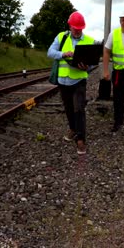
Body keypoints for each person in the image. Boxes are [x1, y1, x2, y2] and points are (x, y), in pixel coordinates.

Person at [47, 11, 96, 155]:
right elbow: (50, 52)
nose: (78, 31)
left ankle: (80, 140)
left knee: (79, 109)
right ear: (70, 26)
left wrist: (88, 67)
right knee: (68, 108)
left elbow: (93, 62)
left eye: (80, 28)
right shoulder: (61, 37)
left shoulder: (89, 40)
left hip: (79, 80)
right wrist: (63, 54)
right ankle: (73, 129)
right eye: (75, 28)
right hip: (63, 81)